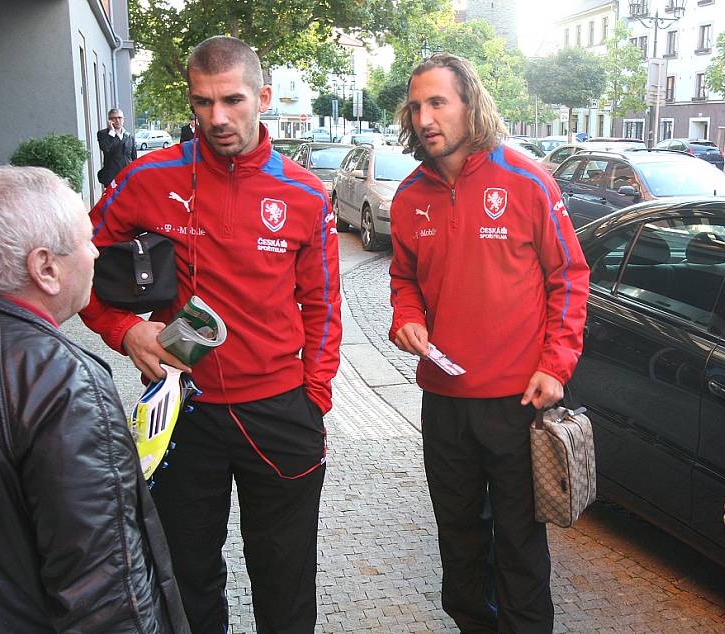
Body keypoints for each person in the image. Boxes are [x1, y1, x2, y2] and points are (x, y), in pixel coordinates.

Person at [80, 36, 342, 633]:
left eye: (232, 100)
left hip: (279, 412)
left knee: (285, 576)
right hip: (182, 413)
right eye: (203, 102)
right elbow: (76, 268)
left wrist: (314, 399)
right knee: (185, 577)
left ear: (263, 98)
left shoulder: (303, 192)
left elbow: (323, 304)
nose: (217, 118)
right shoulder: (148, 178)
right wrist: (124, 331)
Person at [0, 165, 189, 633]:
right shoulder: (64, 385)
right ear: (45, 268)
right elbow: (105, 593)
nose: (95, 253)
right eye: (87, 240)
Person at [388, 53, 589, 633]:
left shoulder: (527, 181)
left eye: (438, 103)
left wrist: (556, 365)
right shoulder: (408, 197)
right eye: (417, 105)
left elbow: (569, 278)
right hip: (443, 403)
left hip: (517, 405)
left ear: (470, 104)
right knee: (458, 540)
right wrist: (405, 316)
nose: (425, 118)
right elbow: (403, 278)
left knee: (522, 547)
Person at [97, 107, 137, 186]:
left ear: (123, 119)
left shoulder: (129, 136)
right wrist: (111, 132)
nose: (117, 120)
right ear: (109, 120)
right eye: (114, 118)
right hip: (112, 178)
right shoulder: (103, 134)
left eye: (119, 118)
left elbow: (134, 158)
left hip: (128, 176)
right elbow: (105, 148)